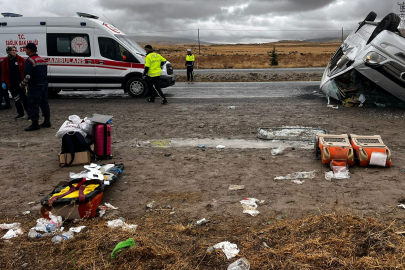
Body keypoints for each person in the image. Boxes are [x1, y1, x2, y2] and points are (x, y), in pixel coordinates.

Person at [19, 43, 51, 131]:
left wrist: (22, 84)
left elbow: (28, 76)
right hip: (44, 83)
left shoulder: (30, 61)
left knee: (33, 104)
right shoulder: (41, 59)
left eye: (26, 49)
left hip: (35, 85)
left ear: (29, 50)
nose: (25, 50)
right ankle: (47, 121)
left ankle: (35, 124)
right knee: (44, 103)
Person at [2, 45, 28, 118]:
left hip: (20, 82)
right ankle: (20, 114)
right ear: (8, 51)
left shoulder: (20, 59)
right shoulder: (5, 60)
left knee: (24, 98)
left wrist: (25, 81)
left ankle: (29, 113)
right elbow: (4, 72)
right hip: (11, 83)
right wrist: (3, 82)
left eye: (15, 50)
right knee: (16, 99)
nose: (14, 51)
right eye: (12, 50)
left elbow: (24, 70)